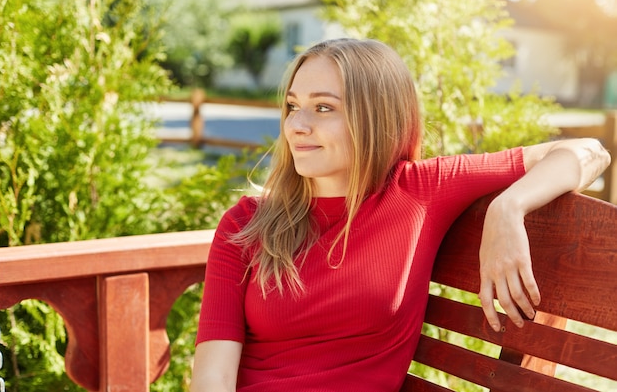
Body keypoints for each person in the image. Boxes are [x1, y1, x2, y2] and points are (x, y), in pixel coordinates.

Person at [190, 38, 610, 392]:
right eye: (292, 105)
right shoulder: (245, 225)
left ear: (376, 117)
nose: (296, 125)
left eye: (323, 108)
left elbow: (589, 151)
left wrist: (508, 208)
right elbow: (214, 376)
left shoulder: (420, 191)